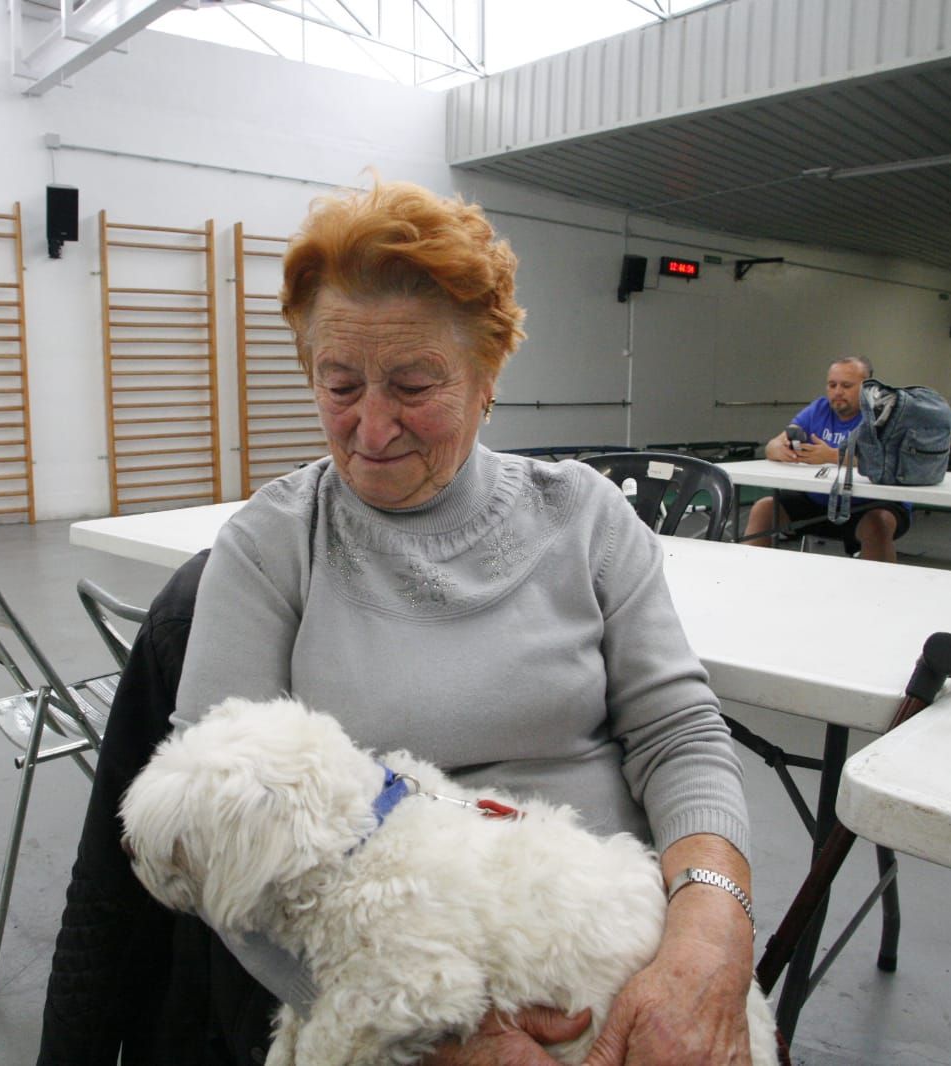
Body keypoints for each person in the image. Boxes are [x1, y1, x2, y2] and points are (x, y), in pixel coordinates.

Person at [170, 179, 758, 1065]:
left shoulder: (587, 520)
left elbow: (678, 734)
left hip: (609, 953)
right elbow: (207, 840)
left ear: (488, 378)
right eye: (338, 384)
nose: (371, 427)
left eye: (413, 385)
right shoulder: (272, 547)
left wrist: (709, 933)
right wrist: (437, 1039)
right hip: (378, 993)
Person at [743, 356, 911, 563]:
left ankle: (881, 589)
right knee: (765, 509)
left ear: (868, 388)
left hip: (872, 503)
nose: (837, 392)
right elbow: (774, 444)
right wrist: (780, 449)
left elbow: (889, 460)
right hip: (821, 502)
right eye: (832, 385)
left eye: (846, 386)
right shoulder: (818, 409)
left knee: (877, 523)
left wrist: (833, 455)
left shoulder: (884, 414)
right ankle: (748, 576)